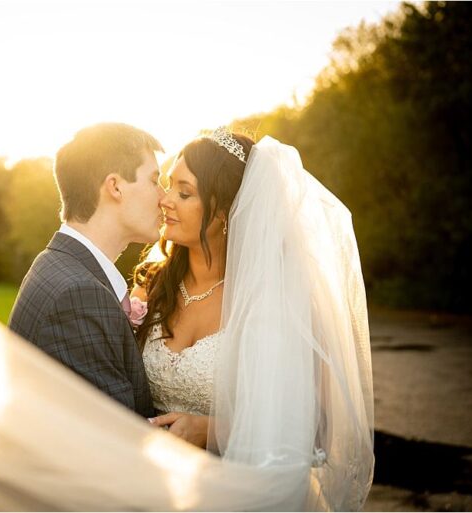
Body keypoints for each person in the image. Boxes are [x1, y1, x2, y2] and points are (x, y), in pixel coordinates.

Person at [133, 127, 375, 510]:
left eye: (184, 192)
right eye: (167, 186)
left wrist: (211, 431)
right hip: (153, 488)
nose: (164, 200)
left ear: (228, 210)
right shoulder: (153, 285)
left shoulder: (276, 302)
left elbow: (319, 428)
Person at [8, 122, 164, 418]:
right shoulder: (79, 295)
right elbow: (117, 439)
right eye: (155, 181)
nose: (164, 197)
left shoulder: (60, 265)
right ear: (115, 186)